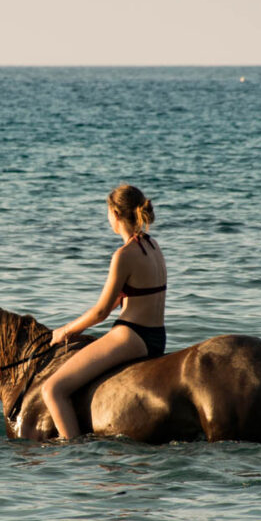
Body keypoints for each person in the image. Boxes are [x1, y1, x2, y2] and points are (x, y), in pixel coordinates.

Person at [42, 184, 167, 440]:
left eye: (108, 212)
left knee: (53, 389)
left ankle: (72, 450)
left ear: (115, 214)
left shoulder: (123, 255)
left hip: (131, 336)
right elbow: (120, 300)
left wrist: (65, 331)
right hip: (157, 337)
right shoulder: (153, 246)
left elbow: (101, 312)